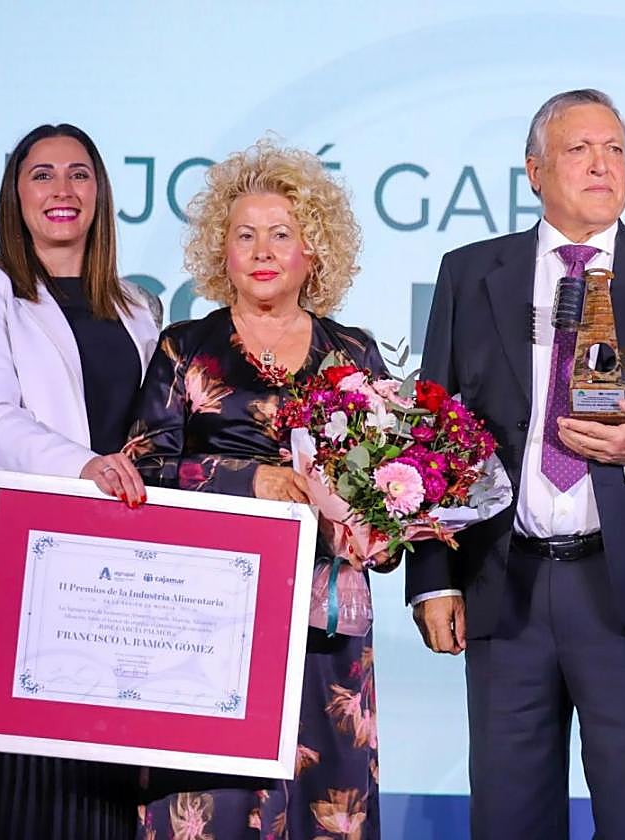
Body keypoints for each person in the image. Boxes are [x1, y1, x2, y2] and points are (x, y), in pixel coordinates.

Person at [406, 89, 625, 839]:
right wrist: (432, 578)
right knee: (507, 817)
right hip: (504, 581)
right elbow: (432, 431)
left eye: (616, 150)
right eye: (579, 150)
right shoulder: (472, 273)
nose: (603, 165)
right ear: (535, 170)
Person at [0, 123, 162, 839]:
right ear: (16, 195)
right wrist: (85, 467)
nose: (62, 189)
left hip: (94, 573)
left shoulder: (140, 307)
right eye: (41, 174)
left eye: (79, 173)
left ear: (100, 192)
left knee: (82, 789)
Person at [127, 139, 387, 840]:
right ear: (223, 251)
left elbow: (389, 486)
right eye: (245, 235)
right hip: (207, 617)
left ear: (313, 251)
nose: (263, 250)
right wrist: (249, 479)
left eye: (282, 234)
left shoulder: (354, 352)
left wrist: (384, 528)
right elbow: (144, 472)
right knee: (212, 814)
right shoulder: (185, 348)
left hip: (325, 627)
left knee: (324, 807)